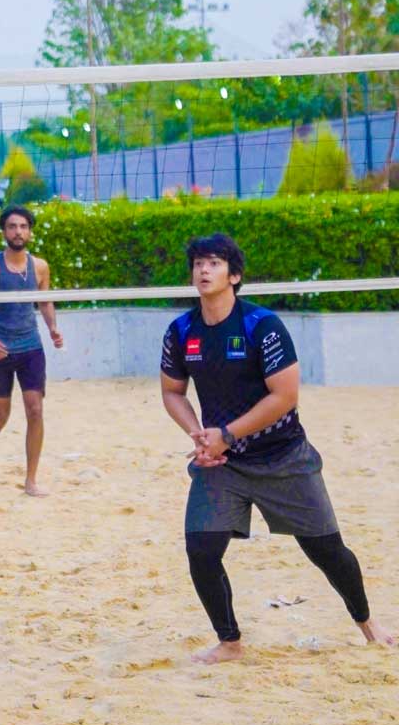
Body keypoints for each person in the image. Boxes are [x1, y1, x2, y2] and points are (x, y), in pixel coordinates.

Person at [161, 232, 394, 663]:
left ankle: (367, 623)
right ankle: (230, 641)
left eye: (214, 263)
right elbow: (173, 391)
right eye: (198, 263)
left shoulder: (261, 326)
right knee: (201, 550)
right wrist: (199, 434)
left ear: (235, 275)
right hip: (222, 464)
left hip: (283, 456)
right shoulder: (181, 330)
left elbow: (285, 396)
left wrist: (225, 433)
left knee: (326, 550)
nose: (203, 270)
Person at [0, 203, 63, 493]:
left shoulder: (40, 266)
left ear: (30, 232)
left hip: (31, 346)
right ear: (4, 231)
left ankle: (31, 479)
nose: (18, 231)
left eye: (23, 226)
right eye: (12, 226)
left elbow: (44, 301)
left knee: (35, 410)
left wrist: (52, 328)